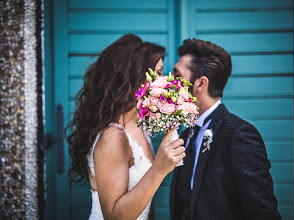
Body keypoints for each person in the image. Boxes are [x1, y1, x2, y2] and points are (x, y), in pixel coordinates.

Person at [66, 34, 186, 220]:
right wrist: (159, 168)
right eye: (160, 72)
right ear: (137, 78)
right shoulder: (113, 136)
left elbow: (145, 201)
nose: (165, 82)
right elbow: (113, 216)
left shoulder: (139, 127)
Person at [170, 39, 282, 220]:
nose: (170, 83)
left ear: (200, 84)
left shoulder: (239, 134)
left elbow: (263, 212)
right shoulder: (185, 134)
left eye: (177, 77)